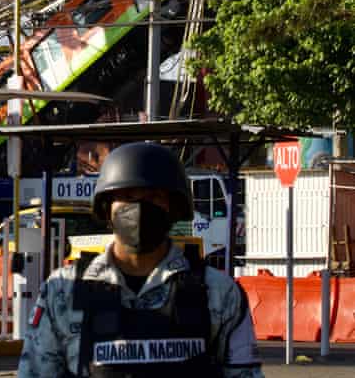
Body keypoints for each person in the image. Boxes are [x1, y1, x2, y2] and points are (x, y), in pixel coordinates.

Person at [17, 142, 263, 378]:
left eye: (153, 197)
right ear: (106, 207)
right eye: (128, 196)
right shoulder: (63, 291)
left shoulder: (218, 294)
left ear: (174, 208)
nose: (139, 209)